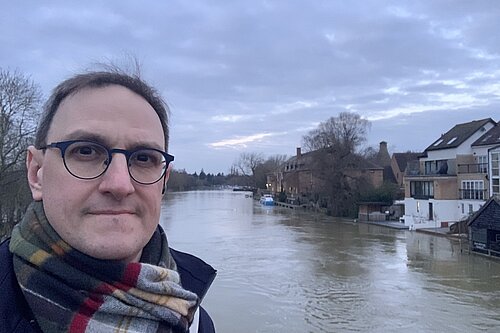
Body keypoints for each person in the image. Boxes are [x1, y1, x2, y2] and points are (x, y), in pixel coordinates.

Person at [0, 70, 217, 333]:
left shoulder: (193, 317)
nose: (119, 184)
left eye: (144, 158)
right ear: (37, 173)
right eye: (86, 151)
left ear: (164, 181)